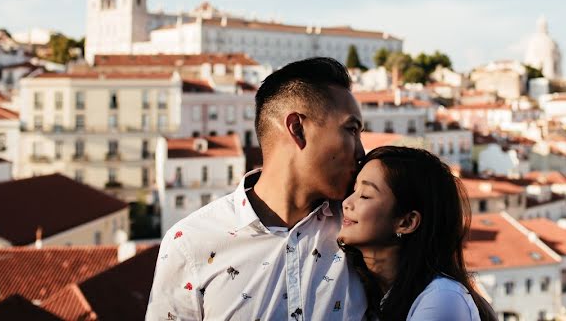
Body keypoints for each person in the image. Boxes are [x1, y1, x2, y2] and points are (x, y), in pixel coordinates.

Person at [146, 57, 368, 321]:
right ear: (297, 129)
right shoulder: (190, 245)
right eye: (351, 130)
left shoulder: (362, 226)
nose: (361, 151)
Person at [337, 146, 496, 321]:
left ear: (407, 222)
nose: (346, 203)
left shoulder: (443, 298)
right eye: (353, 190)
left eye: (365, 195)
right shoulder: (371, 293)